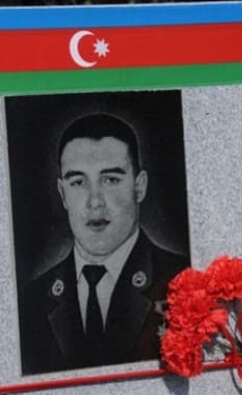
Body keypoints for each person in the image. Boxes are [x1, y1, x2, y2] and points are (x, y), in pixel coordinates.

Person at [18, 113, 188, 375]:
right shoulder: (30, 302)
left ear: (139, 187)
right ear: (63, 194)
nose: (94, 201)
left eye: (110, 180)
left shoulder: (183, 282)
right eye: (78, 182)